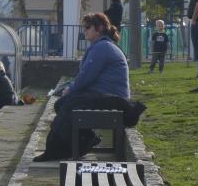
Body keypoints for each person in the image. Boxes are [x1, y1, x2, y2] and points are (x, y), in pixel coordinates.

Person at [33, 13, 139, 162]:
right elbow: (84, 76)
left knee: (67, 105)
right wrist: (69, 88)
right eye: (84, 28)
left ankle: (60, 148)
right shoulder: (103, 46)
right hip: (109, 97)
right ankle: (84, 141)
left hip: (113, 99)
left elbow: (85, 78)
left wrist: (70, 90)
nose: (85, 31)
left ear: (100, 28)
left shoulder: (102, 47)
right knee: (63, 104)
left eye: (88, 27)